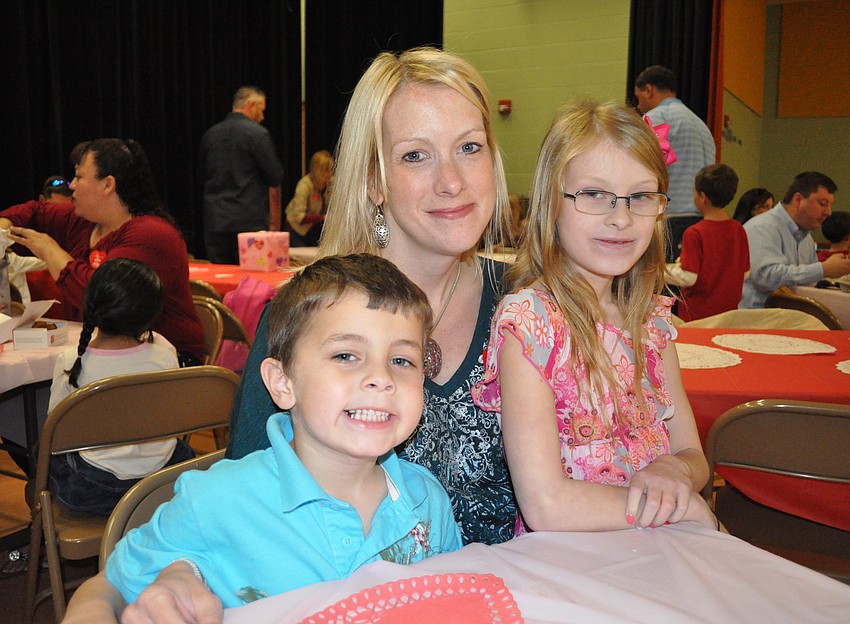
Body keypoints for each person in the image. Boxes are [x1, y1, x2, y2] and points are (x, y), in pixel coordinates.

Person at [63, 254, 461, 623]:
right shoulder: (216, 501)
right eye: (346, 355)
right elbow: (105, 590)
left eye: (402, 360)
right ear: (282, 382)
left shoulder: (428, 500)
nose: (381, 378)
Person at [226, 47, 517, 546]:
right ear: (373, 181)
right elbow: (244, 509)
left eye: (470, 147)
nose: (452, 181)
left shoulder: (529, 304)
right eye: (415, 155)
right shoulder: (306, 316)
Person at [471, 101, 718, 534]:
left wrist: (676, 470)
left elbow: (693, 455)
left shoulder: (651, 323)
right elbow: (547, 505)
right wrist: (682, 509)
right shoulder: (530, 325)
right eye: (593, 195)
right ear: (551, 202)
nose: (621, 218)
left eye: (640, 197)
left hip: (656, 543)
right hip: (575, 558)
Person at [0, 139, 206, 364]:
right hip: (111, 356)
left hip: (167, 365)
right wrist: (4, 228)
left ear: (107, 185)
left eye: (79, 177)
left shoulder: (151, 234)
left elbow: (103, 300)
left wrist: (50, 251)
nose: (72, 185)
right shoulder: (83, 221)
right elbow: (34, 212)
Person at [48, 258, 194, 516]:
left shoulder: (72, 360)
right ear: (153, 312)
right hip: (161, 483)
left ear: (90, 305)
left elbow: (56, 432)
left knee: (43, 448)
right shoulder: (164, 353)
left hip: (96, 490)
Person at [634, 65, 716, 263]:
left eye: (638, 98)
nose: (639, 105)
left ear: (648, 90)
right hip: (703, 219)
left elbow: (640, 167)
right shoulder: (701, 125)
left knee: (665, 279)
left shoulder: (656, 118)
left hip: (673, 220)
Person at [740, 171, 850, 308]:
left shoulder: (807, 238)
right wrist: (823, 269)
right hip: (758, 317)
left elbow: (809, 283)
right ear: (798, 200)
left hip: (791, 315)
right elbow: (766, 278)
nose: (828, 212)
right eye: (823, 203)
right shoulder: (762, 227)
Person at [199, 86, 284, 263]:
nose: (262, 117)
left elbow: (202, 175)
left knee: (219, 276)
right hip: (249, 223)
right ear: (251, 104)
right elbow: (275, 176)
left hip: (216, 220)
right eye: (261, 110)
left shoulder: (210, 135)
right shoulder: (258, 134)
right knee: (250, 277)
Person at [666, 163, 749, 321]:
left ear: (702, 197)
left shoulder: (695, 233)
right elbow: (745, 273)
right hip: (728, 317)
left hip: (697, 318)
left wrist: (659, 271)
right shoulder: (739, 229)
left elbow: (688, 277)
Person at [285, 149, 334, 246]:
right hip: (297, 230)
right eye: (326, 170)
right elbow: (299, 216)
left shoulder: (331, 183)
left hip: (315, 229)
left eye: (331, 170)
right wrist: (323, 217)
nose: (330, 174)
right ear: (317, 170)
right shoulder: (304, 185)